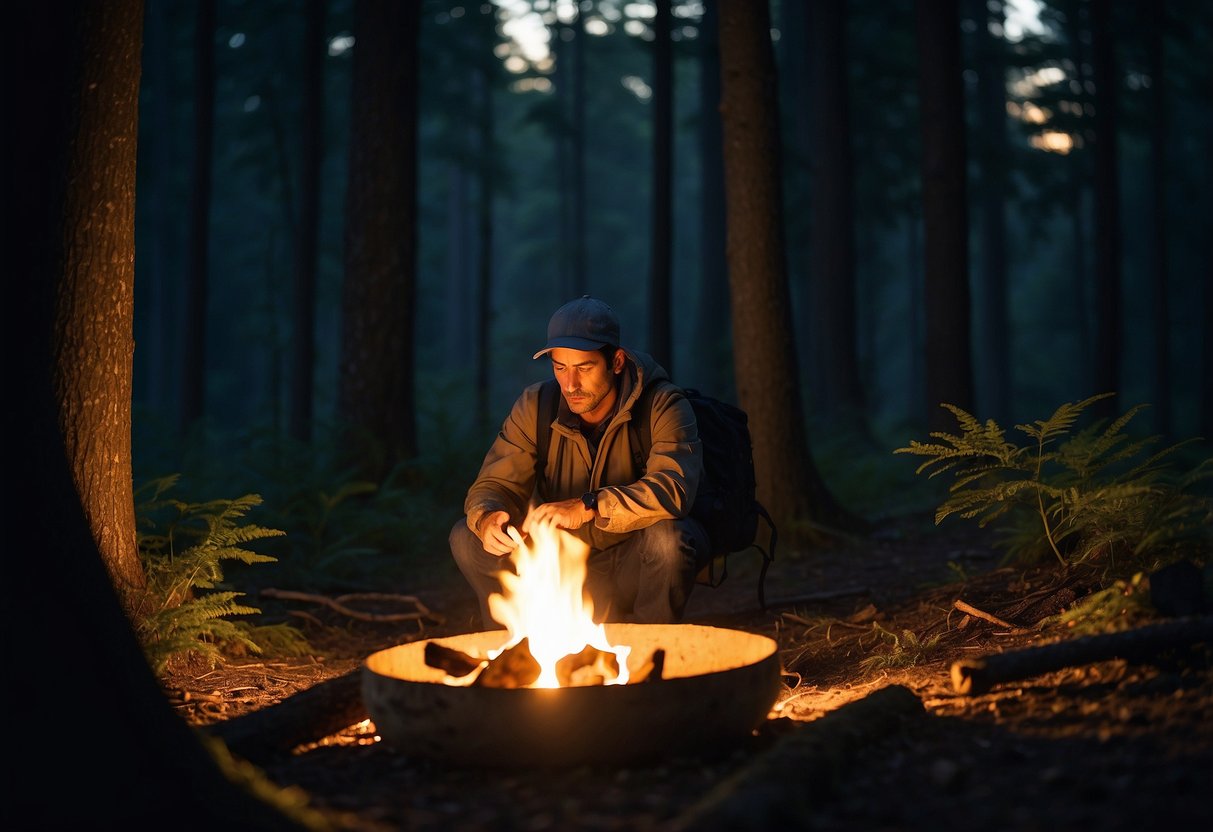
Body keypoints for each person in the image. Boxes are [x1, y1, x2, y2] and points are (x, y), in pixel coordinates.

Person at [450, 295, 711, 628]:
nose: (570, 384)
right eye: (560, 368)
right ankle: (515, 654)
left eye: (584, 368)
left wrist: (588, 505)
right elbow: (494, 484)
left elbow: (673, 490)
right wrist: (487, 517)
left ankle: (650, 654)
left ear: (616, 362)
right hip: (561, 567)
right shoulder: (536, 406)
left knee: (668, 539)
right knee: (466, 537)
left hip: (635, 562)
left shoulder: (663, 404)